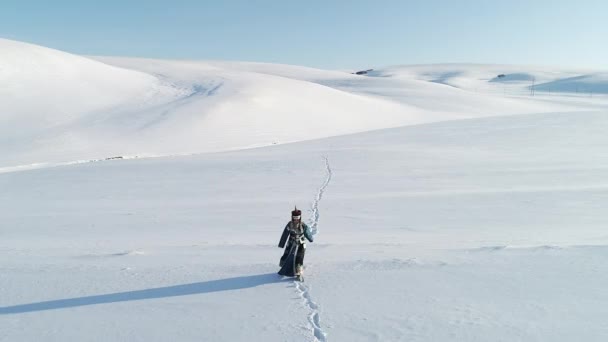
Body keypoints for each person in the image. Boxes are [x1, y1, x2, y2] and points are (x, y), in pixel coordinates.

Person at [278, 207, 314, 278]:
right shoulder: (289, 224)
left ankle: (298, 271)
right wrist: (282, 244)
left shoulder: (303, 225)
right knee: (287, 255)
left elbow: (307, 232)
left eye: (297, 217)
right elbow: (285, 234)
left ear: (300, 217)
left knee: (299, 257)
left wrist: (310, 239)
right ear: (292, 217)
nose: (296, 219)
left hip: (301, 243)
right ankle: (285, 267)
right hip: (291, 243)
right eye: (294, 217)